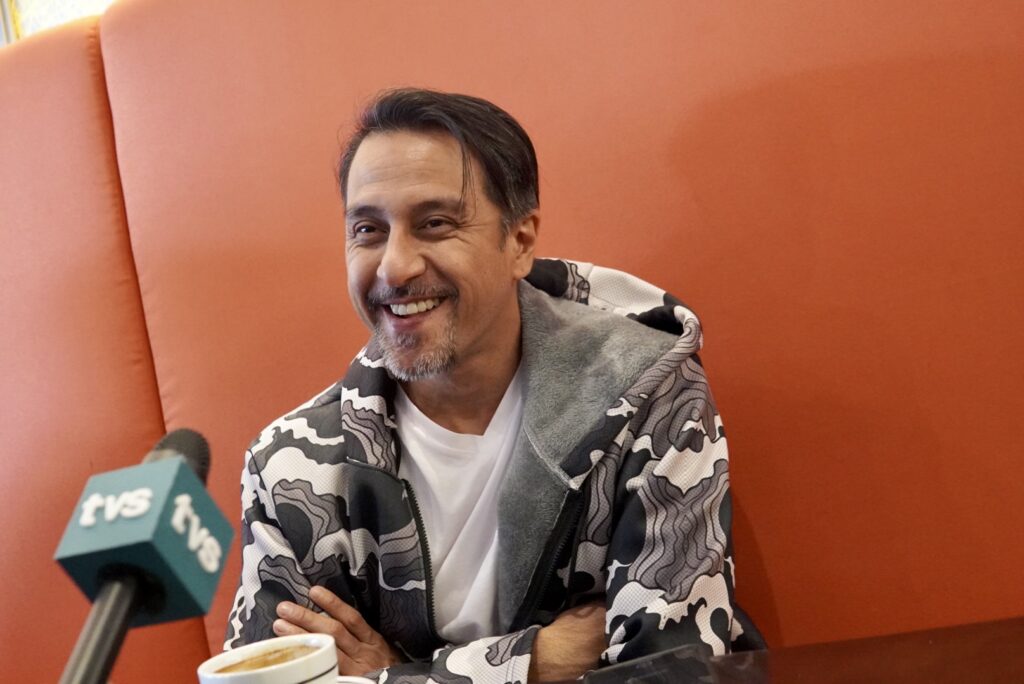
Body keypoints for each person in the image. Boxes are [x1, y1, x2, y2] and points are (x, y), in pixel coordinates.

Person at [224, 88, 747, 682]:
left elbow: (675, 669)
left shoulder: (647, 393)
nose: (394, 266)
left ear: (519, 242)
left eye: (435, 224)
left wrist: (389, 675)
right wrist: (535, 662)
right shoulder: (291, 467)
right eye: (367, 230)